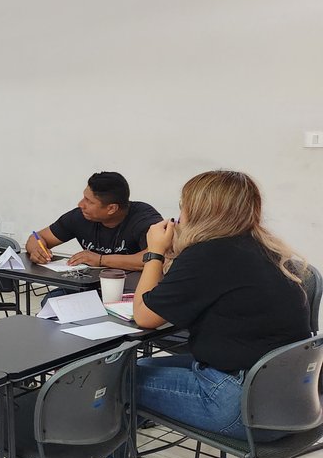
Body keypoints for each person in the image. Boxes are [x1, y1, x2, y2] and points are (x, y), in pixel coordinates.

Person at [132, 170, 311, 439]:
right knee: (138, 368)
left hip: (240, 404)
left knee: (115, 380)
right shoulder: (265, 248)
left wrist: (154, 252)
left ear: (198, 211)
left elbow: (145, 317)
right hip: (289, 401)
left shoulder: (209, 254)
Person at [25, 172, 162, 274]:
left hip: (131, 291)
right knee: (50, 302)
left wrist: (101, 260)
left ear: (111, 208)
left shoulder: (144, 218)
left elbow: (155, 257)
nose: (80, 204)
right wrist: (37, 250)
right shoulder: (81, 216)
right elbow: (36, 238)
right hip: (90, 285)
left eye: (89, 201)